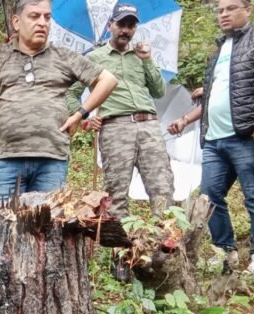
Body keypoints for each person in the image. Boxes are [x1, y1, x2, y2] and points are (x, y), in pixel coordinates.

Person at [167, 0, 254, 274]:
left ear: (248, 9)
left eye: (231, 8)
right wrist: (185, 119)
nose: (224, 14)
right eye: (220, 10)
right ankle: (225, 252)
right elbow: (213, 97)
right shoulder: (220, 48)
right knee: (209, 198)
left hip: (247, 134)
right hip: (214, 139)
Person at [0, 0, 117, 207]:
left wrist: (80, 114)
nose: (42, 23)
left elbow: (108, 80)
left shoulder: (62, 55)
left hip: (52, 158)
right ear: (16, 21)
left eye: (47, 17)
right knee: (5, 226)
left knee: (47, 228)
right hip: (10, 158)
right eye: (34, 16)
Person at [66, 3, 174, 219]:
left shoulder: (141, 56)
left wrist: (148, 60)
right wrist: (84, 119)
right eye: (121, 24)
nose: (126, 30)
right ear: (110, 25)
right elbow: (71, 92)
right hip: (115, 128)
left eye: (131, 25)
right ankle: (121, 251)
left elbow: (159, 91)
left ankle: (163, 250)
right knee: (115, 196)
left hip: (149, 125)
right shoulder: (94, 58)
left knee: (163, 190)